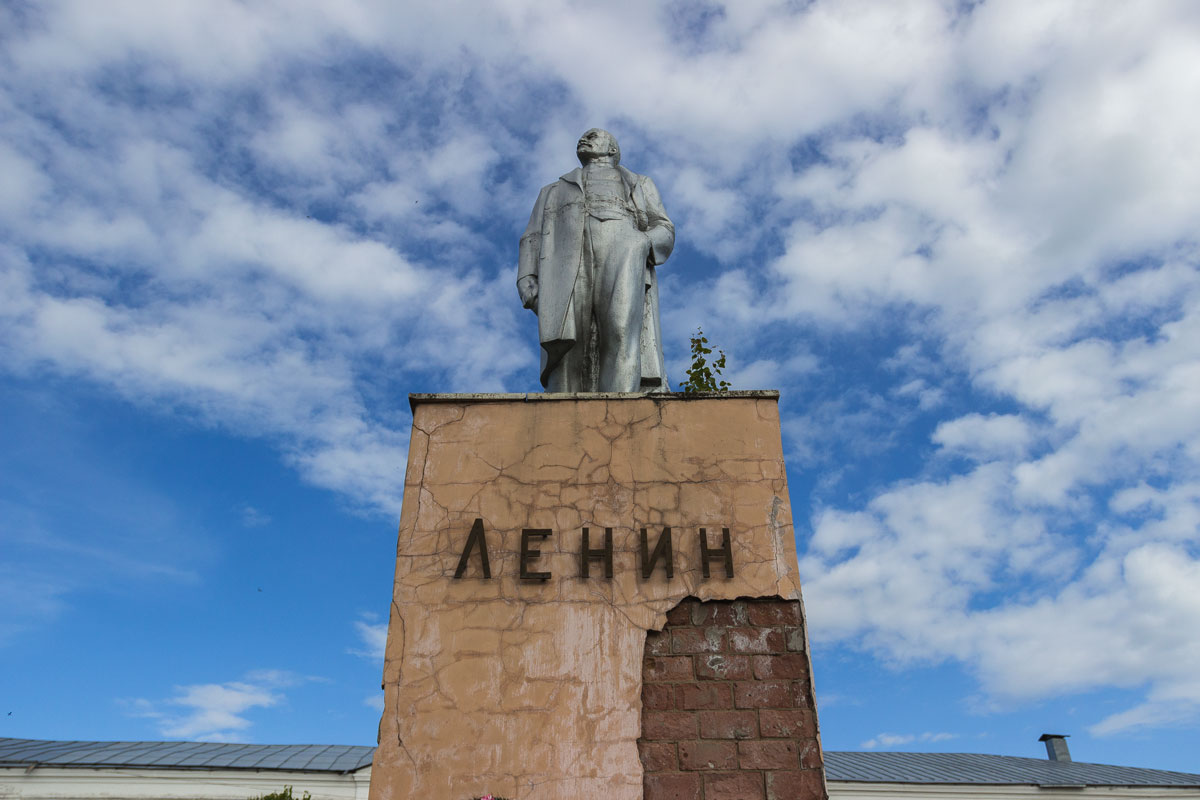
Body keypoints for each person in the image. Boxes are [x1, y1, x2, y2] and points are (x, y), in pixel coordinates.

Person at [517, 128, 674, 392]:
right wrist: (526, 276)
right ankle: (563, 409)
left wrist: (643, 242)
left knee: (621, 331)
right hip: (566, 258)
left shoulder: (639, 183)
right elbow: (532, 236)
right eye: (583, 137)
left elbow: (664, 226)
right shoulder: (553, 190)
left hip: (623, 248)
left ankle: (622, 406)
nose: (584, 139)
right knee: (566, 341)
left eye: (593, 136)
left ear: (612, 149)